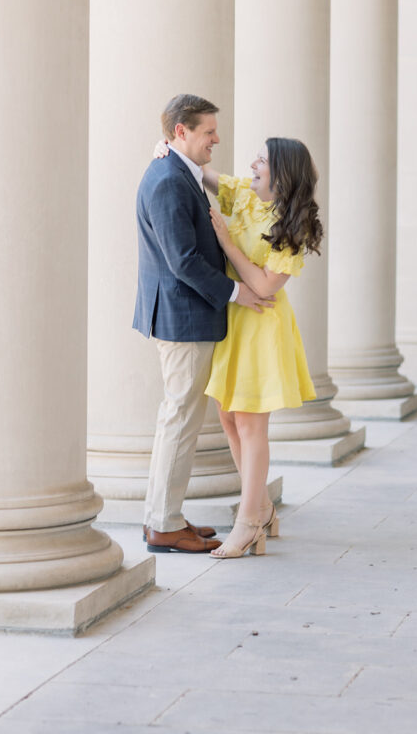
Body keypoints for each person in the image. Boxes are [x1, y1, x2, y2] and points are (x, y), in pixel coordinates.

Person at [155, 135, 323, 559]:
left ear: (282, 172)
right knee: (229, 417)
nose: (252, 164)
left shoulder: (294, 224)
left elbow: (266, 284)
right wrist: (167, 149)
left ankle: (248, 523)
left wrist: (229, 244)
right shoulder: (244, 195)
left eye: (262, 160)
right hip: (234, 319)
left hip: (263, 326)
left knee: (251, 425)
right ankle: (262, 508)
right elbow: (203, 173)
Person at [133, 94, 273, 554]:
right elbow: (184, 261)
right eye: (209, 130)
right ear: (181, 132)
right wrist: (240, 292)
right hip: (184, 319)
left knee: (178, 418)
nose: (217, 138)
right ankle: (164, 525)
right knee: (179, 419)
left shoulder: (177, 171)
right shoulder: (170, 180)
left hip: (183, 316)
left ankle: (164, 516)